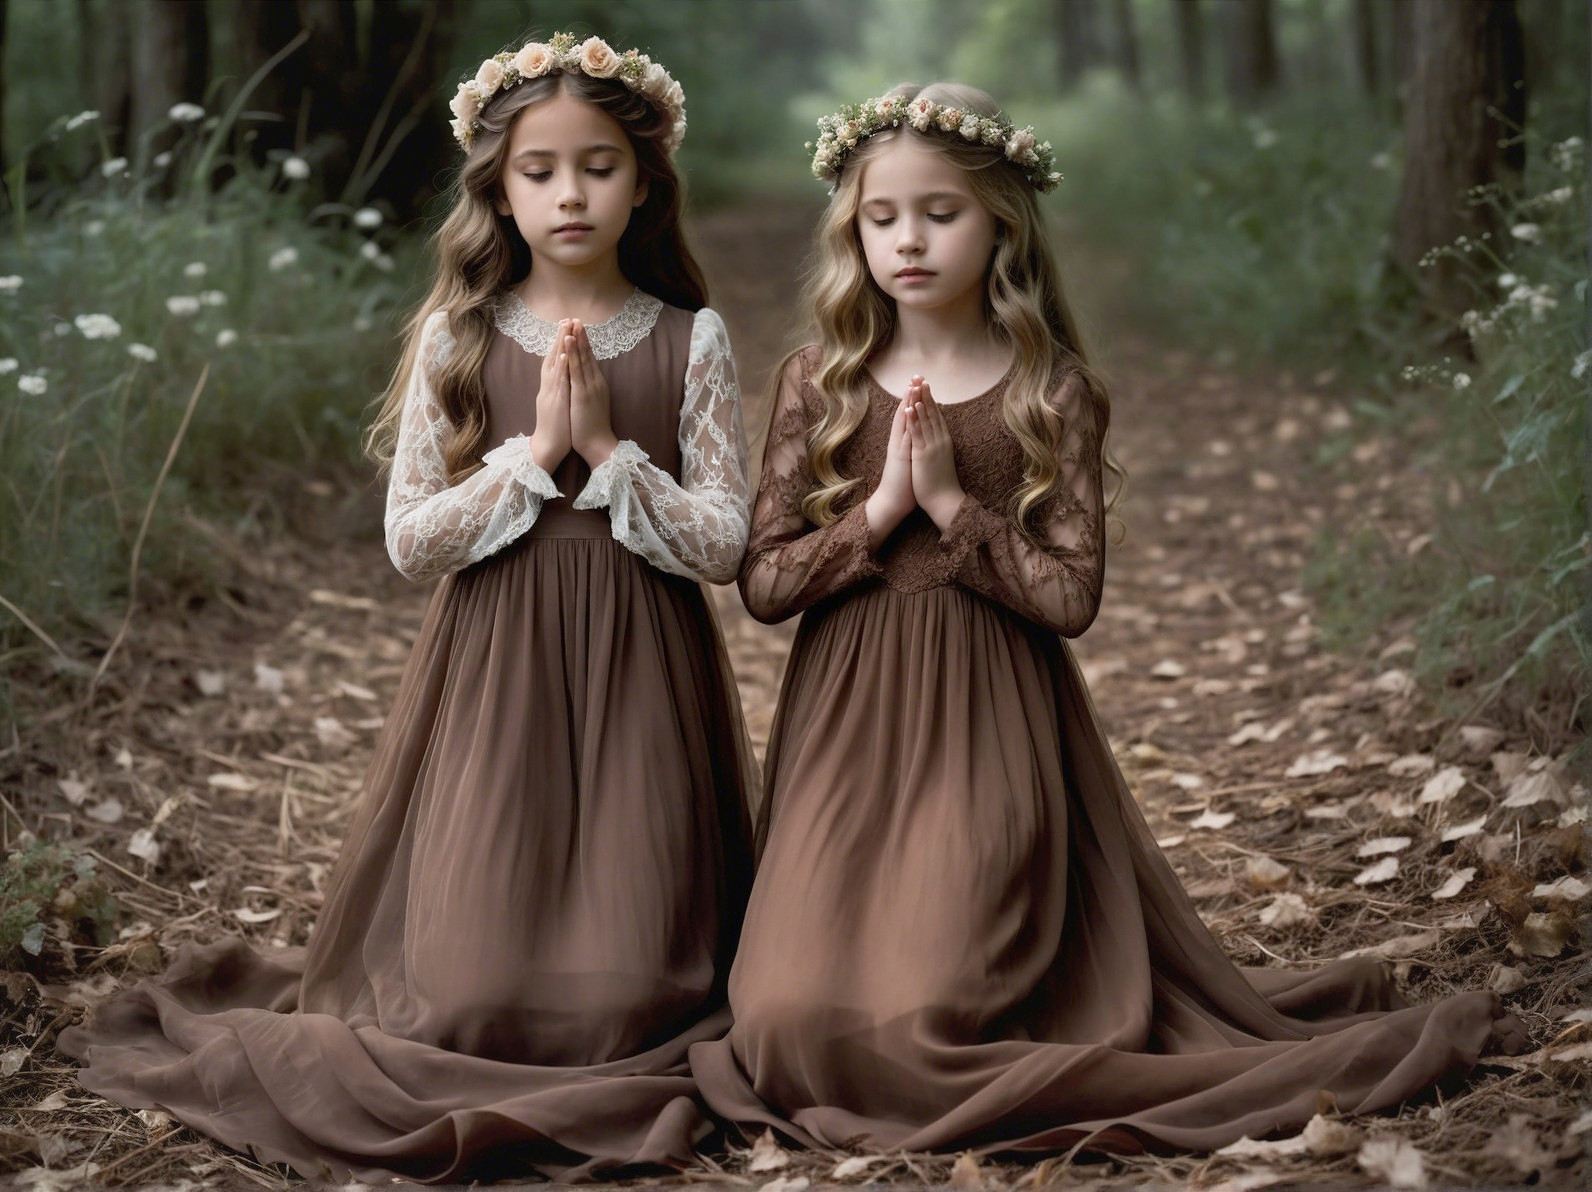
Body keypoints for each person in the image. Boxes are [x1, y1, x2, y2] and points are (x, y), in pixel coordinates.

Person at [690, 81, 1526, 1160]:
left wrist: (955, 509)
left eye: (939, 213)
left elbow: (1068, 600)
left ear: (1000, 220)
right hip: (843, 740)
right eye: (880, 216)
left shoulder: (1049, 388)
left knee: (922, 1026)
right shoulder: (822, 380)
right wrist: (883, 509)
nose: (907, 240)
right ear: (851, 227)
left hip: (988, 728)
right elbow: (763, 583)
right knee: (784, 1025)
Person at [58, 33, 755, 1184]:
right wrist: (533, 457)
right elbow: (410, 541)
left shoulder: (693, 338)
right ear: (498, 186)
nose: (569, 193)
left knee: (639, 991)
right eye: (538, 170)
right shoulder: (461, 335)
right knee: (468, 994)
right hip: (497, 664)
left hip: (643, 661)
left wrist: (610, 456)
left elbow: (723, 543)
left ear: (644, 181)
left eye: (597, 165)